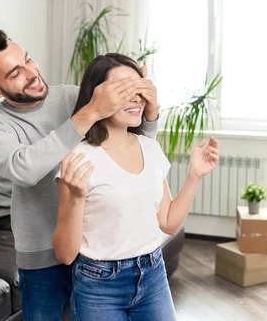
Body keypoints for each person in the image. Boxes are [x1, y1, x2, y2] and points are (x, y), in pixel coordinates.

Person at [0, 30, 161, 321]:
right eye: (15, 73)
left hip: (98, 249)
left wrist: (151, 110)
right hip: (43, 255)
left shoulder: (73, 95)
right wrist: (89, 113)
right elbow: (24, 170)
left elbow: (135, 141)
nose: (32, 73)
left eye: (28, 60)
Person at [52, 53, 220, 321]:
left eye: (139, 89)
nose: (136, 99)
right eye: (123, 90)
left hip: (152, 273)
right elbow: (65, 253)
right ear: (96, 96)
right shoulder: (78, 158)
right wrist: (76, 198)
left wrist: (194, 175)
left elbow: (168, 222)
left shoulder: (149, 147)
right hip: (99, 285)